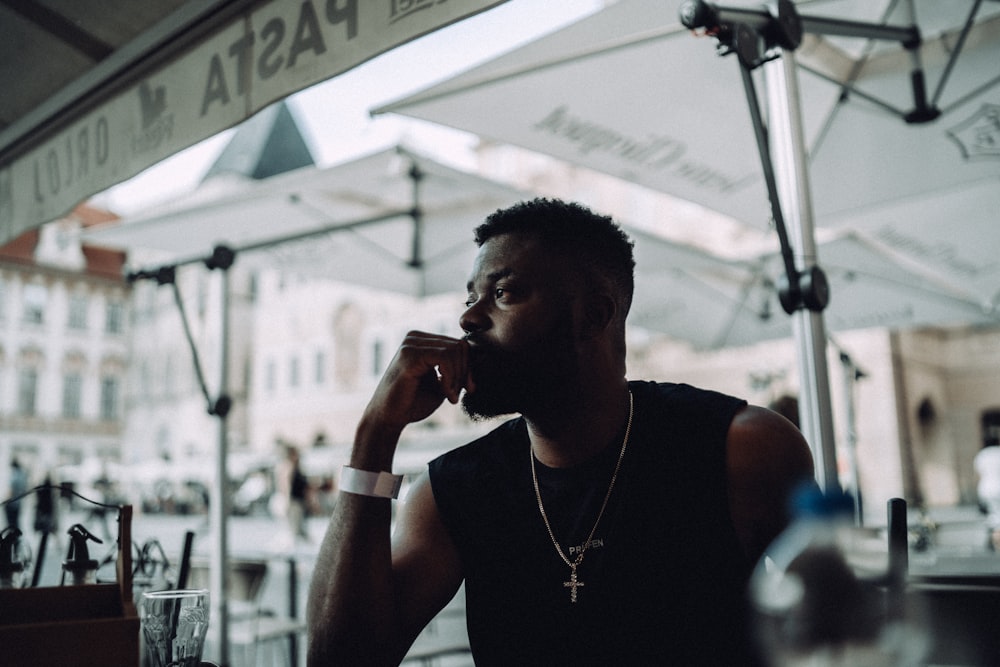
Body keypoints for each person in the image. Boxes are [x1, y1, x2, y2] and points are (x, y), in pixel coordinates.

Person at [306, 198, 815, 665]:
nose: (467, 318)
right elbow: (340, 662)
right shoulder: (452, 492)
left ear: (593, 315)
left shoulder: (740, 449)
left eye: (503, 293)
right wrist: (375, 433)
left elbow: (839, 634)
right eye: (471, 296)